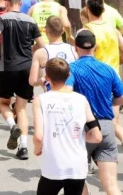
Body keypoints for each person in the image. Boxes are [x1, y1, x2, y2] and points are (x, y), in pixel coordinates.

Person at [64, 30, 123, 195]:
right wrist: (109, 103)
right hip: (106, 127)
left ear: (75, 47)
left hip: (82, 129)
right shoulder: (108, 69)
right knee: (111, 184)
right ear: (96, 47)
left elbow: (67, 93)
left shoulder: (71, 69)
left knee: (76, 180)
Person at [82, 0, 123, 168]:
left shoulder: (88, 30)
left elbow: (82, 56)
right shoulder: (113, 29)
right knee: (113, 121)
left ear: (88, 10)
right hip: (115, 79)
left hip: (95, 80)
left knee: (90, 119)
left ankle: (89, 160)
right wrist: (115, 65)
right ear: (103, 10)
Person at [32, 58, 102, 195]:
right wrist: (81, 137)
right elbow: (97, 136)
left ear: (46, 78)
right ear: (69, 75)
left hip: (53, 165)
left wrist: (36, 150)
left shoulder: (41, 100)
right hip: (77, 165)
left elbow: (39, 136)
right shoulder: (81, 100)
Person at [0, 0, 46, 160]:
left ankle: (12, 125)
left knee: (4, 103)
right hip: (26, 68)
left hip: (8, 67)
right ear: (20, 3)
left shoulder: (3, 18)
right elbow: (42, 44)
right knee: (22, 108)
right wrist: (30, 52)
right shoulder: (30, 21)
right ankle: (23, 148)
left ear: (7, 3)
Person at [28, 16, 77, 93]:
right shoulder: (74, 50)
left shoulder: (40, 53)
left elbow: (32, 81)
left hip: (50, 98)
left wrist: (43, 80)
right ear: (62, 31)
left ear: (46, 31)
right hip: (70, 95)